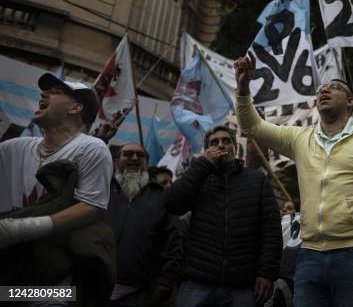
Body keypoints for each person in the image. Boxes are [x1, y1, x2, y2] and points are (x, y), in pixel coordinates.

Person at [233, 56, 353, 307]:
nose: (324, 90)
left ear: (350, 101)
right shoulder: (300, 138)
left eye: (334, 87)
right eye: (320, 90)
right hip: (309, 258)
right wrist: (242, 89)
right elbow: (252, 126)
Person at [0, 73, 115, 304]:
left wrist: (18, 229)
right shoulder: (13, 148)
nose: (43, 94)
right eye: (45, 91)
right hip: (8, 271)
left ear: (76, 107)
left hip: (54, 283)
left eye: (55, 92)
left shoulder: (92, 148)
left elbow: (89, 208)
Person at [163, 125, 282, 307]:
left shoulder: (257, 181)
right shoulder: (198, 177)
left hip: (242, 286)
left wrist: (266, 273)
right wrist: (203, 165)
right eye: (214, 142)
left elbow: (271, 230)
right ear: (206, 150)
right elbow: (173, 204)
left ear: (235, 147)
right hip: (198, 284)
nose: (221, 145)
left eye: (226, 141)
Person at [98, 143, 181, 306]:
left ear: (146, 163)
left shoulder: (162, 197)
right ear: (116, 161)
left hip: (138, 295)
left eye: (140, 155)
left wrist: (165, 283)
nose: (134, 158)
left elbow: (174, 243)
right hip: (93, 288)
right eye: (128, 154)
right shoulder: (100, 190)